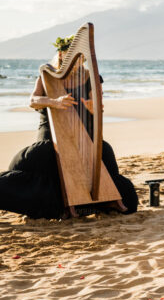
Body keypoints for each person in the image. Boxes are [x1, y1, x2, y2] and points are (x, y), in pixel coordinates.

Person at [0, 40, 138, 220]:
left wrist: (92, 107)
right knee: (45, 155)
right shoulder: (46, 76)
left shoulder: (90, 77)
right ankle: (62, 203)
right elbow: (33, 101)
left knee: (104, 150)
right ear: (61, 57)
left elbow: (98, 107)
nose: (76, 63)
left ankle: (104, 198)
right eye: (70, 58)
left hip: (82, 136)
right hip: (51, 135)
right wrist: (54, 102)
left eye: (78, 59)